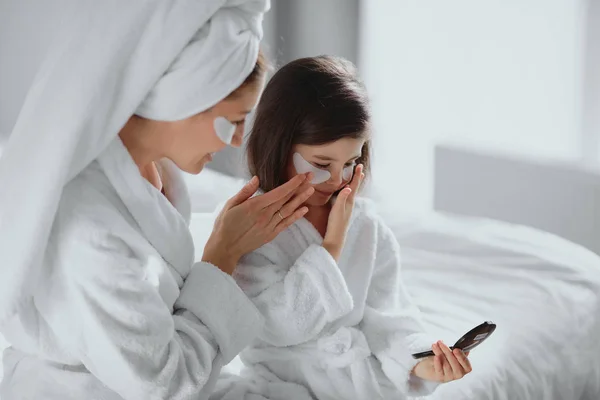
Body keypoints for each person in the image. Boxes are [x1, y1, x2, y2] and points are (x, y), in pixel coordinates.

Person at [0, 1, 314, 399]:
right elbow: (165, 383)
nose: (238, 140)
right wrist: (222, 255)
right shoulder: (88, 229)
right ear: (183, 98)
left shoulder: (149, 168)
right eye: (234, 120)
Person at [212, 56, 473, 400]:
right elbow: (278, 326)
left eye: (351, 163)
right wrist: (331, 247)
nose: (337, 180)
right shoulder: (250, 225)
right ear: (278, 145)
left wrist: (422, 364)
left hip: (358, 385)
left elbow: (389, 322)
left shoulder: (366, 226)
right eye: (321, 163)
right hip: (281, 389)